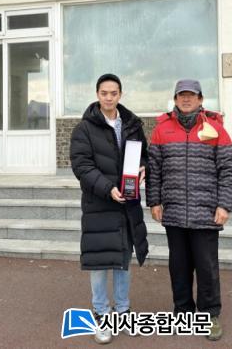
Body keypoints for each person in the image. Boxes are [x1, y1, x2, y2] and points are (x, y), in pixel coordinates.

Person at [147, 79, 232, 341]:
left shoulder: (215, 129)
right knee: (179, 267)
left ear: (200, 99)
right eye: (181, 95)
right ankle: (183, 312)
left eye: (191, 95)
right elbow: (154, 171)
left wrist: (225, 205)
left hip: (206, 212)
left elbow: (229, 170)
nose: (186, 99)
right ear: (175, 99)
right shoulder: (162, 130)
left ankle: (209, 315)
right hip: (174, 212)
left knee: (206, 267)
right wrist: (154, 202)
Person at [70, 73, 149, 344]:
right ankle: (102, 314)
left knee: (124, 259)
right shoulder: (84, 129)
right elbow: (82, 166)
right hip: (99, 204)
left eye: (113, 93)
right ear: (97, 94)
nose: (109, 97)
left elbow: (144, 154)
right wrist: (107, 188)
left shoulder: (132, 124)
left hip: (127, 203)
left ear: (120, 95)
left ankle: (123, 311)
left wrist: (143, 168)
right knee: (100, 261)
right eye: (104, 93)